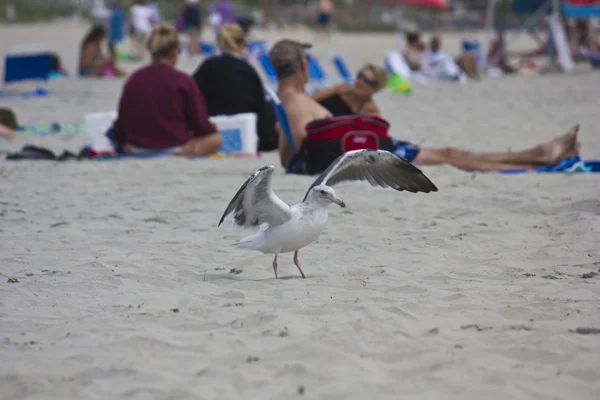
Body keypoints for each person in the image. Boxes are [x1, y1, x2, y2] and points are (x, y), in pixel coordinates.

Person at [268, 39, 581, 173]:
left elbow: (291, 157)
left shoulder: (292, 101)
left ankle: (538, 156)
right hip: (367, 159)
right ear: (302, 65)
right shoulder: (297, 103)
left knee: (450, 154)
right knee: (450, 156)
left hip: (363, 154)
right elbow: (306, 158)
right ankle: (539, 158)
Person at [112, 23, 222, 156]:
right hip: (174, 147)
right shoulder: (183, 81)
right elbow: (200, 125)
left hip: (137, 147)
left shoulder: (133, 79)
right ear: (174, 52)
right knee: (216, 139)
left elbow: (121, 125)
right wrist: (212, 128)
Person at [192, 23, 279, 152]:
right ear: (242, 42)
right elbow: (260, 107)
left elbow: (192, 96)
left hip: (211, 131)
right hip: (245, 130)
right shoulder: (247, 70)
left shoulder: (207, 66)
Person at [310, 63, 387, 117]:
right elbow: (308, 100)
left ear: (377, 89)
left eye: (367, 81)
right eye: (360, 76)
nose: (360, 81)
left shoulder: (372, 111)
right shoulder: (340, 90)